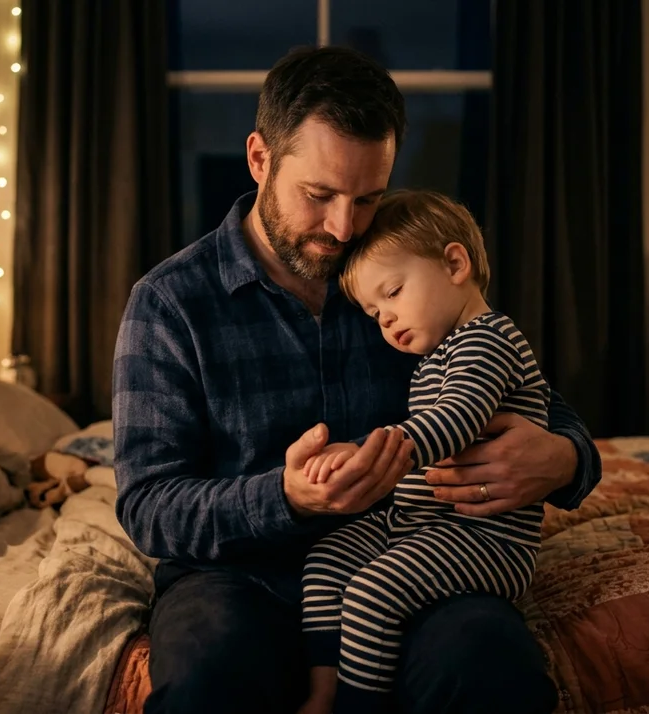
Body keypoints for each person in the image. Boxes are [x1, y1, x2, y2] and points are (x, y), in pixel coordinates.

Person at [113, 45, 601, 714]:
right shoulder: (170, 304)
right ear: (260, 159)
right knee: (208, 682)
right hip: (237, 579)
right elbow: (147, 507)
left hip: (412, 550)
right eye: (319, 195)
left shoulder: (402, 274)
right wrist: (285, 498)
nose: (344, 227)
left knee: (489, 666)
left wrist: (565, 457)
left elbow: (526, 389)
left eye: (367, 197)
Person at [297, 190, 551, 714]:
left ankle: (356, 705)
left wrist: (371, 451)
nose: (385, 320)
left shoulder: (489, 340)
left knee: (372, 593)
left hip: (487, 538)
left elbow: (454, 421)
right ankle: (321, 689)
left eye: (392, 293)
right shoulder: (441, 351)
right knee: (325, 560)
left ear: (455, 263)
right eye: (374, 312)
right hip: (423, 521)